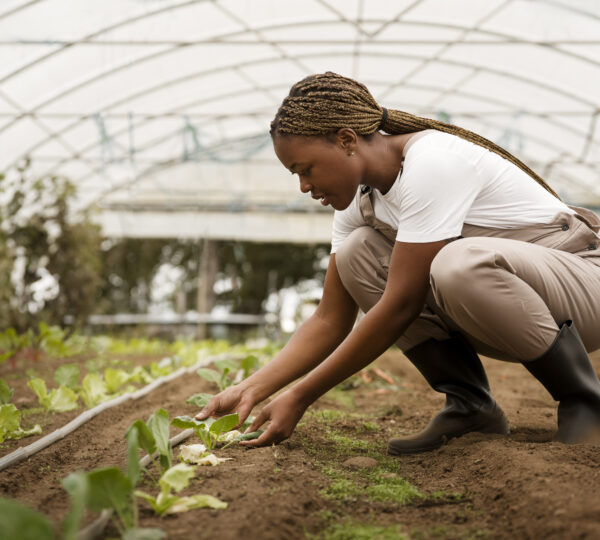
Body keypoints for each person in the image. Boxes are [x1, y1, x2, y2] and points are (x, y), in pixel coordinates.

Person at [196, 71, 600, 454]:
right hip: (513, 308)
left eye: (305, 170)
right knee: (358, 253)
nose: (303, 186)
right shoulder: (361, 201)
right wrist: (253, 387)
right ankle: (470, 407)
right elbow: (329, 319)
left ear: (347, 139)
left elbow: (401, 304)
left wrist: (300, 396)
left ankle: (584, 401)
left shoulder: (433, 162)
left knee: (456, 264)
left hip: (581, 284)